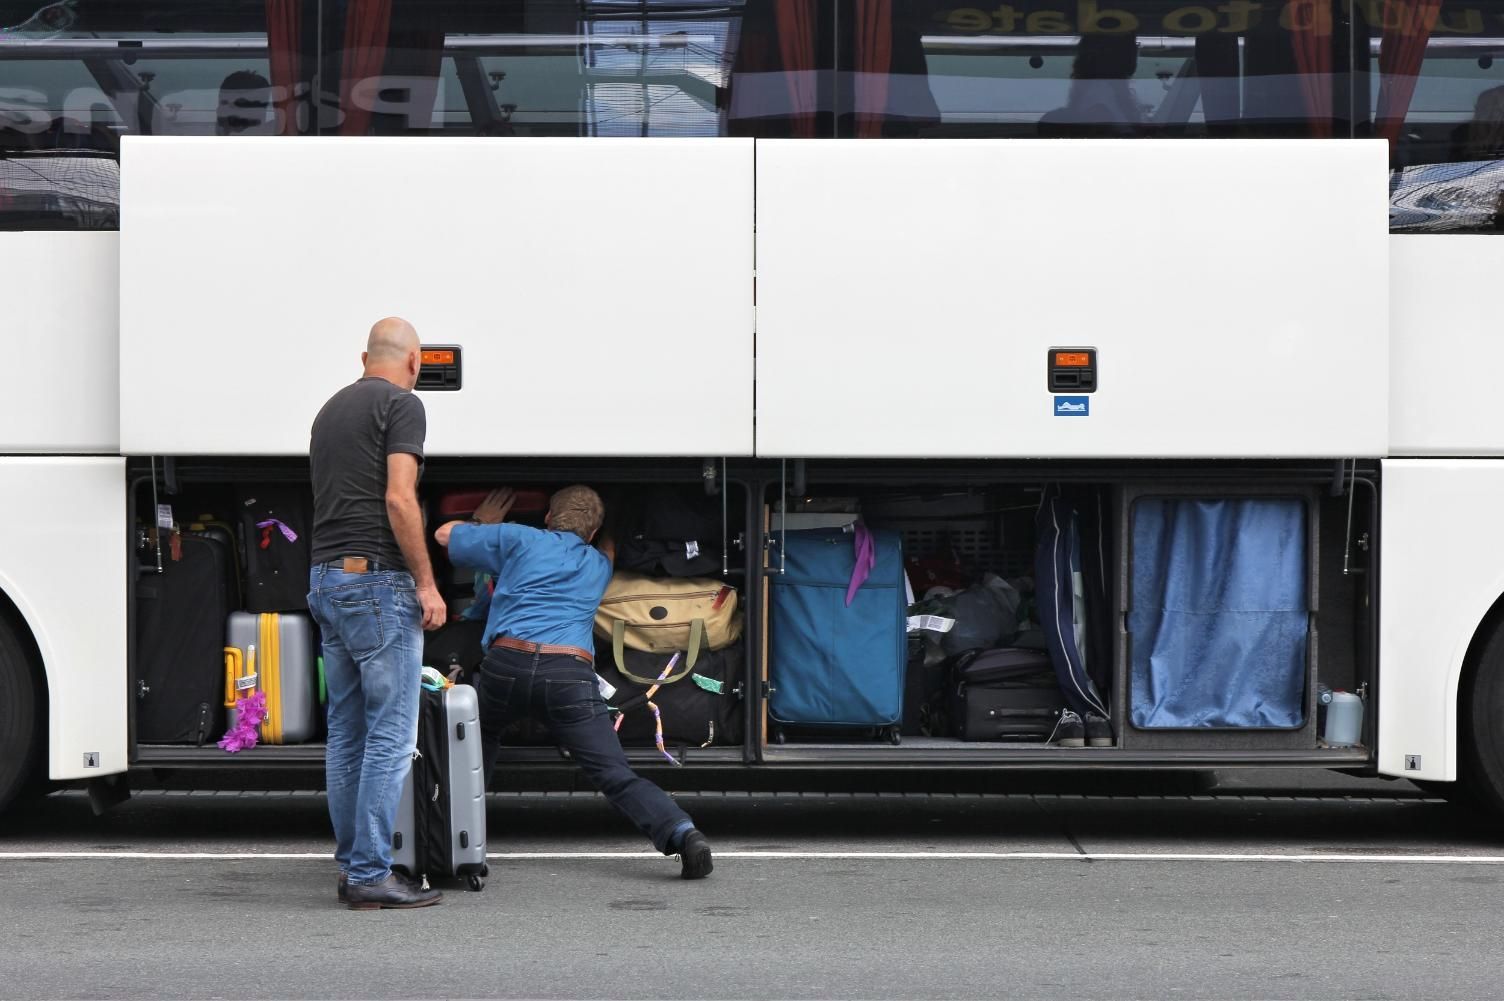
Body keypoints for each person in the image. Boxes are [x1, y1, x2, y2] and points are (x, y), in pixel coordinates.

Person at [436, 486, 714, 879]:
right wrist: (609, 524)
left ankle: (450, 839)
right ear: (594, 532)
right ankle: (681, 833)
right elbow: (611, 552)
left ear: (548, 517)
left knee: (477, 751)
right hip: (568, 675)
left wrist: (483, 524)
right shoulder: (598, 564)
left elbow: (444, 535)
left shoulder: (520, 537)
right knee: (614, 774)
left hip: (507, 663)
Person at [307, 316, 447, 910]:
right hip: (377, 583)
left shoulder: (330, 410)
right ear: (414, 362)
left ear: (366, 356)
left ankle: (352, 865)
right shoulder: (402, 406)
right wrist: (426, 583)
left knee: (347, 731)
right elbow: (398, 496)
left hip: (325, 579)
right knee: (391, 731)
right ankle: (369, 873)